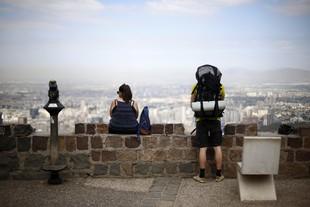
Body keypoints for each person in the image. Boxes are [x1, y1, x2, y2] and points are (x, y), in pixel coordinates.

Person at [191, 80, 225, 183]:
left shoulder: (196, 86)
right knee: (217, 146)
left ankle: (201, 176)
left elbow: (192, 104)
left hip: (201, 120)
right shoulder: (220, 86)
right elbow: (221, 102)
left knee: (203, 148)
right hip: (215, 120)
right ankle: (218, 175)